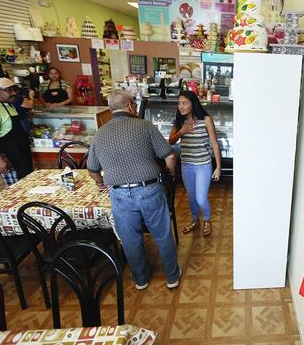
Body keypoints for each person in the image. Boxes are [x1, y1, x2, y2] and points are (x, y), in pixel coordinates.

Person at [87, 89, 181, 290]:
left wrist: (99, 182)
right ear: (130, 106)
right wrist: (170, 173)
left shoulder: (100, 133)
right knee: (162, 234)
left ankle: (140, 279)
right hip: (149, 189)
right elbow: (170, 156)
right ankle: (172, 277)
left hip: (119, 194)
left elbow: (92, 169)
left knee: (130, 239)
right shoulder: (144, 125)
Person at [169, 90, 221, 237]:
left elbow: (215, 144)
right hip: (186, 165)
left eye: (184, 103)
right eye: (179, 103)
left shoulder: (206, 120)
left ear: (193, 103)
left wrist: (218, 167)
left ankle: (207, 220)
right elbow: (171, 141)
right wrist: (181, 132)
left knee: (201, 197)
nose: (181, 106)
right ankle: (194, 220)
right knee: (191, 196)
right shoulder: (179, 122)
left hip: (203, 165)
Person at [0, 77, 33, 185]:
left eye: (15, 89)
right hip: (8, 155)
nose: (14, 93)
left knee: (28, 181)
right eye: (9, 90)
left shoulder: (7, 104)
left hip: (19, 151)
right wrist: (0, 159)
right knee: (16, 187)